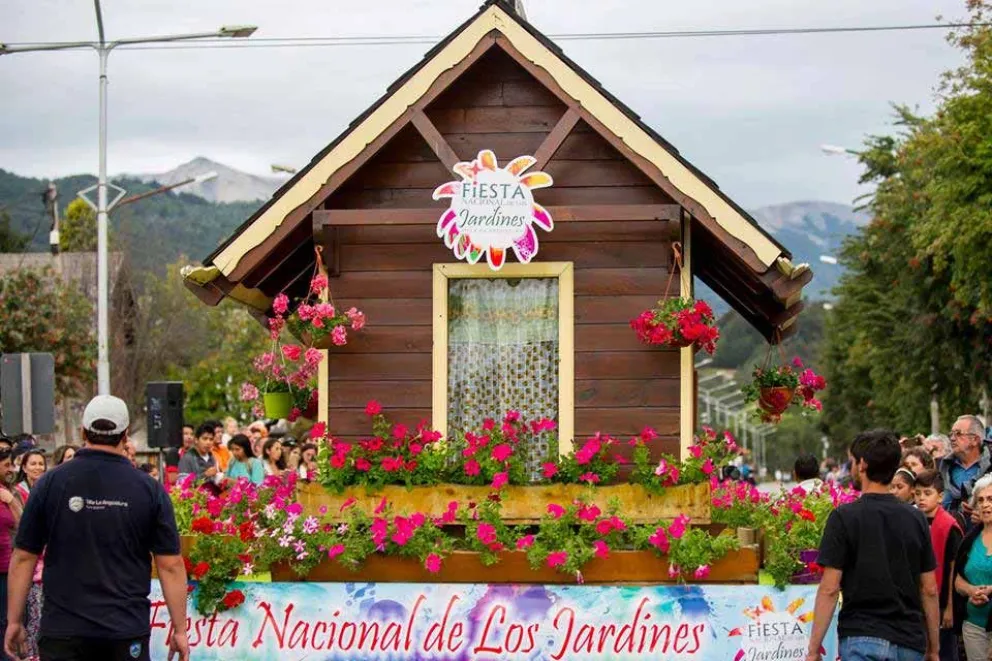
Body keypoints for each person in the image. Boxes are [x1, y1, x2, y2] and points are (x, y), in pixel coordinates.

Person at [4, 395, 189, 661]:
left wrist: (13, 621)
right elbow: (170, 564)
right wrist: (180, 629)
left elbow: (23, 557)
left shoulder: (49, 484)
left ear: (82, 432)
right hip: (125, 632)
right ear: (125, 436)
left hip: (63, 632)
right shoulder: (149, 489)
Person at [805, 429, 939, 661]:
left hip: (861, 637)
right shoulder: (916, 518)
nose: (852, 467)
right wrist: (934, 649)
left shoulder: (843, 517)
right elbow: (929, 588)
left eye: (853, 461)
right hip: (908, 641)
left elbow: (829, 588)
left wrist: (813, 650)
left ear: (863, 464)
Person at [915, 470, 963, 661]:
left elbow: (954, 569)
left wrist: (950, 608)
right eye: (917, 493)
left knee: (944, 652)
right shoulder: (912, 520)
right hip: (918, 601)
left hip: (942, 602)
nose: (921, 499)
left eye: (927, 493)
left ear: (941, 496)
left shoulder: (949, 526)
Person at [941, 416, 992, 522]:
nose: (952, 438)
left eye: (958, 434)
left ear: (975, 440)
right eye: (951, 434)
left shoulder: (990, 467)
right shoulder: (944, 467)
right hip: (951, 534)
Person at [0, 449, 22, 661]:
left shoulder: (9, 493)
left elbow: (23, 527)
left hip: (7, 570)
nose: (11, 470)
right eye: (6, 465)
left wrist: (11, 501)